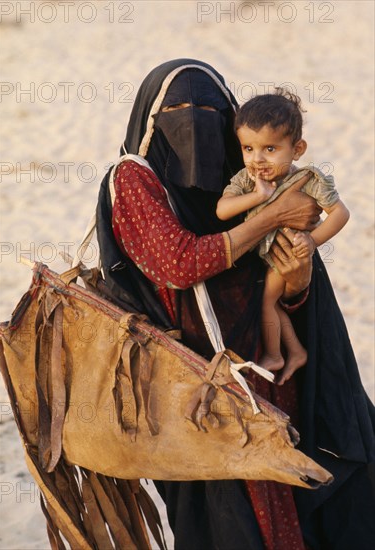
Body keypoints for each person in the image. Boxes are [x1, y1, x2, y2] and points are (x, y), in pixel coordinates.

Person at [96, 59, 375, 550]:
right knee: (227, 519)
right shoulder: (135, 181)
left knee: (295, 502)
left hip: (269, 375)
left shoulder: (245, 170)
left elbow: (289, 278)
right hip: (196, 382)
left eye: (207, 109)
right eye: (178, 110)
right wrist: (269, 220)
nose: (194, 122)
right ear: (151, 118)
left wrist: (295, 279)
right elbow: (180, 263)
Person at [216, 89, 350, 385]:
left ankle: (275, 354)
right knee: (273, 304)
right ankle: (296, 350)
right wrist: (257, 196)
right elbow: (223, 210)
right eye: (248, 149)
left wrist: (313, 242)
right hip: (269, 259)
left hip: (289, 257)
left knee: (267, 301)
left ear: (297, 149)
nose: (258, 159)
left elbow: (340, 213)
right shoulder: (246, 180)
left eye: (270, 149)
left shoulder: (308, 181)